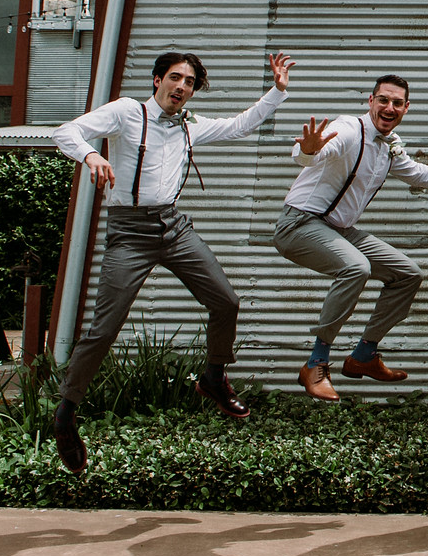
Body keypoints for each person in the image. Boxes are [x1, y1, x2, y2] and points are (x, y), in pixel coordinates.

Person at [49, 50, 293, 472]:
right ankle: (66, 414)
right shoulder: (127, 112)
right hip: (129, 232)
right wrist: (90, 155)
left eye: (190, 83)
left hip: (174, 228)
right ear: (158, 79)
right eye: (176, 78)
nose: (182, 87)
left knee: (226, 302)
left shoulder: (190, 125)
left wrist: (277, 91)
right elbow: (65, 132)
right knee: (105, 328)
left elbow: (240, 126)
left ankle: (214, 378)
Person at [274, 74, 428, 402]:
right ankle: (316, 363)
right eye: (383, 100)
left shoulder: (389, 146)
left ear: (406, 108)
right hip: (299, 225)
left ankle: (363, 355)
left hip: (339, 230)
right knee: (356, 267)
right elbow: (313, 153)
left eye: (397, 103)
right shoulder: (349, 130)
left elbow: (418, 173)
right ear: (370, 101)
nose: (389, 108)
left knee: (407, 274)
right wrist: (306, 151)